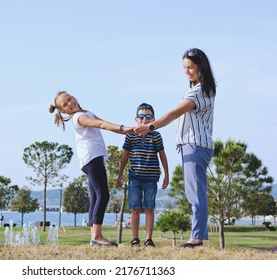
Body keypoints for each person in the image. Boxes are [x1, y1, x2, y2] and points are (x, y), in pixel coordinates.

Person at [135, 48, 216, 248]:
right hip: (195, 145)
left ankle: (196, 238)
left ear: (201, 67)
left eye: (191, 67)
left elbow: (173, 114)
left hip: (195, 145)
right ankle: (196, 236)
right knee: (194, 192)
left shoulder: (198, 91)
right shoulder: (203, 88)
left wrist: (149, 127)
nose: (187, 71)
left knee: (195, 192)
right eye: (184, 68)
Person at [49, 90, 133, 247]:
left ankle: (94, 237)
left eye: (69, 99)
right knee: (103, 195)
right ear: (63, 111)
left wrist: (128, 131)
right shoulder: (79, 117)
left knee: (95, 197)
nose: (69, 103)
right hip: (92, 157)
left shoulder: (86, 112)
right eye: (65, 104)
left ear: (74, 97)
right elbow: (101, 125)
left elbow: (105, 123)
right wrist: (123, 128)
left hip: (91, 158)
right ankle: (97, 237)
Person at [117, 103, 169, 247]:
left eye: (148, 116)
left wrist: (166, 174)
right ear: (136, 119)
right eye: (141, 116)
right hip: (134, 177)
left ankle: (148, 239)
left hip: (151, 178)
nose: (144, 119)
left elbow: (163, 155)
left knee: (149, 208)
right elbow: (125, 156)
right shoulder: (130, 136)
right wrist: (120, 175)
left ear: (153, 119)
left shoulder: (156, 136)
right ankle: (135, 239)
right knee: (135, 208)